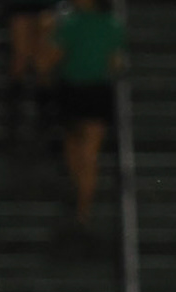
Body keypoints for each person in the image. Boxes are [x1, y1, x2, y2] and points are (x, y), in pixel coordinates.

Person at [46, 0, 123, 228]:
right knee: (87, 152)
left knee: (78, 150)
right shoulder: (111, 25)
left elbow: (52, 56)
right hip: (95, 91)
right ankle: (83, 207)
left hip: (75, 90)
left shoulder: (70, 24)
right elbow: (116, 63)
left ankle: (80, 201)